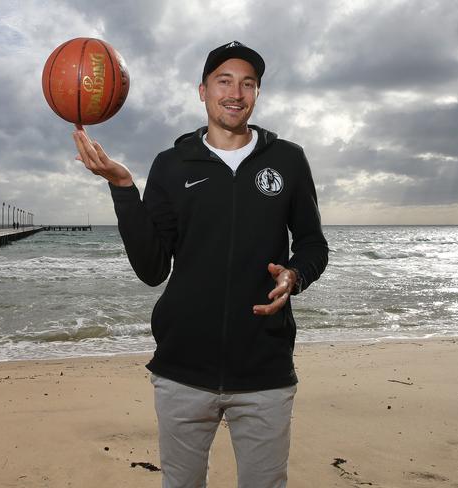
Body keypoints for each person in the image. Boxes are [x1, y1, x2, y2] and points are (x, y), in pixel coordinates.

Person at [74, 40, 328, 488]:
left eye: (248, 83)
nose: (236, 92)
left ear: (257, 94)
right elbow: (152, 269)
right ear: (202, 91)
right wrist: (123, 188)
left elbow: (312, 244)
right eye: (224, 81)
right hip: (182, 370)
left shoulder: (288, 159)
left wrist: (295, 274)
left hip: (265, 367)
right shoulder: (171, 165)